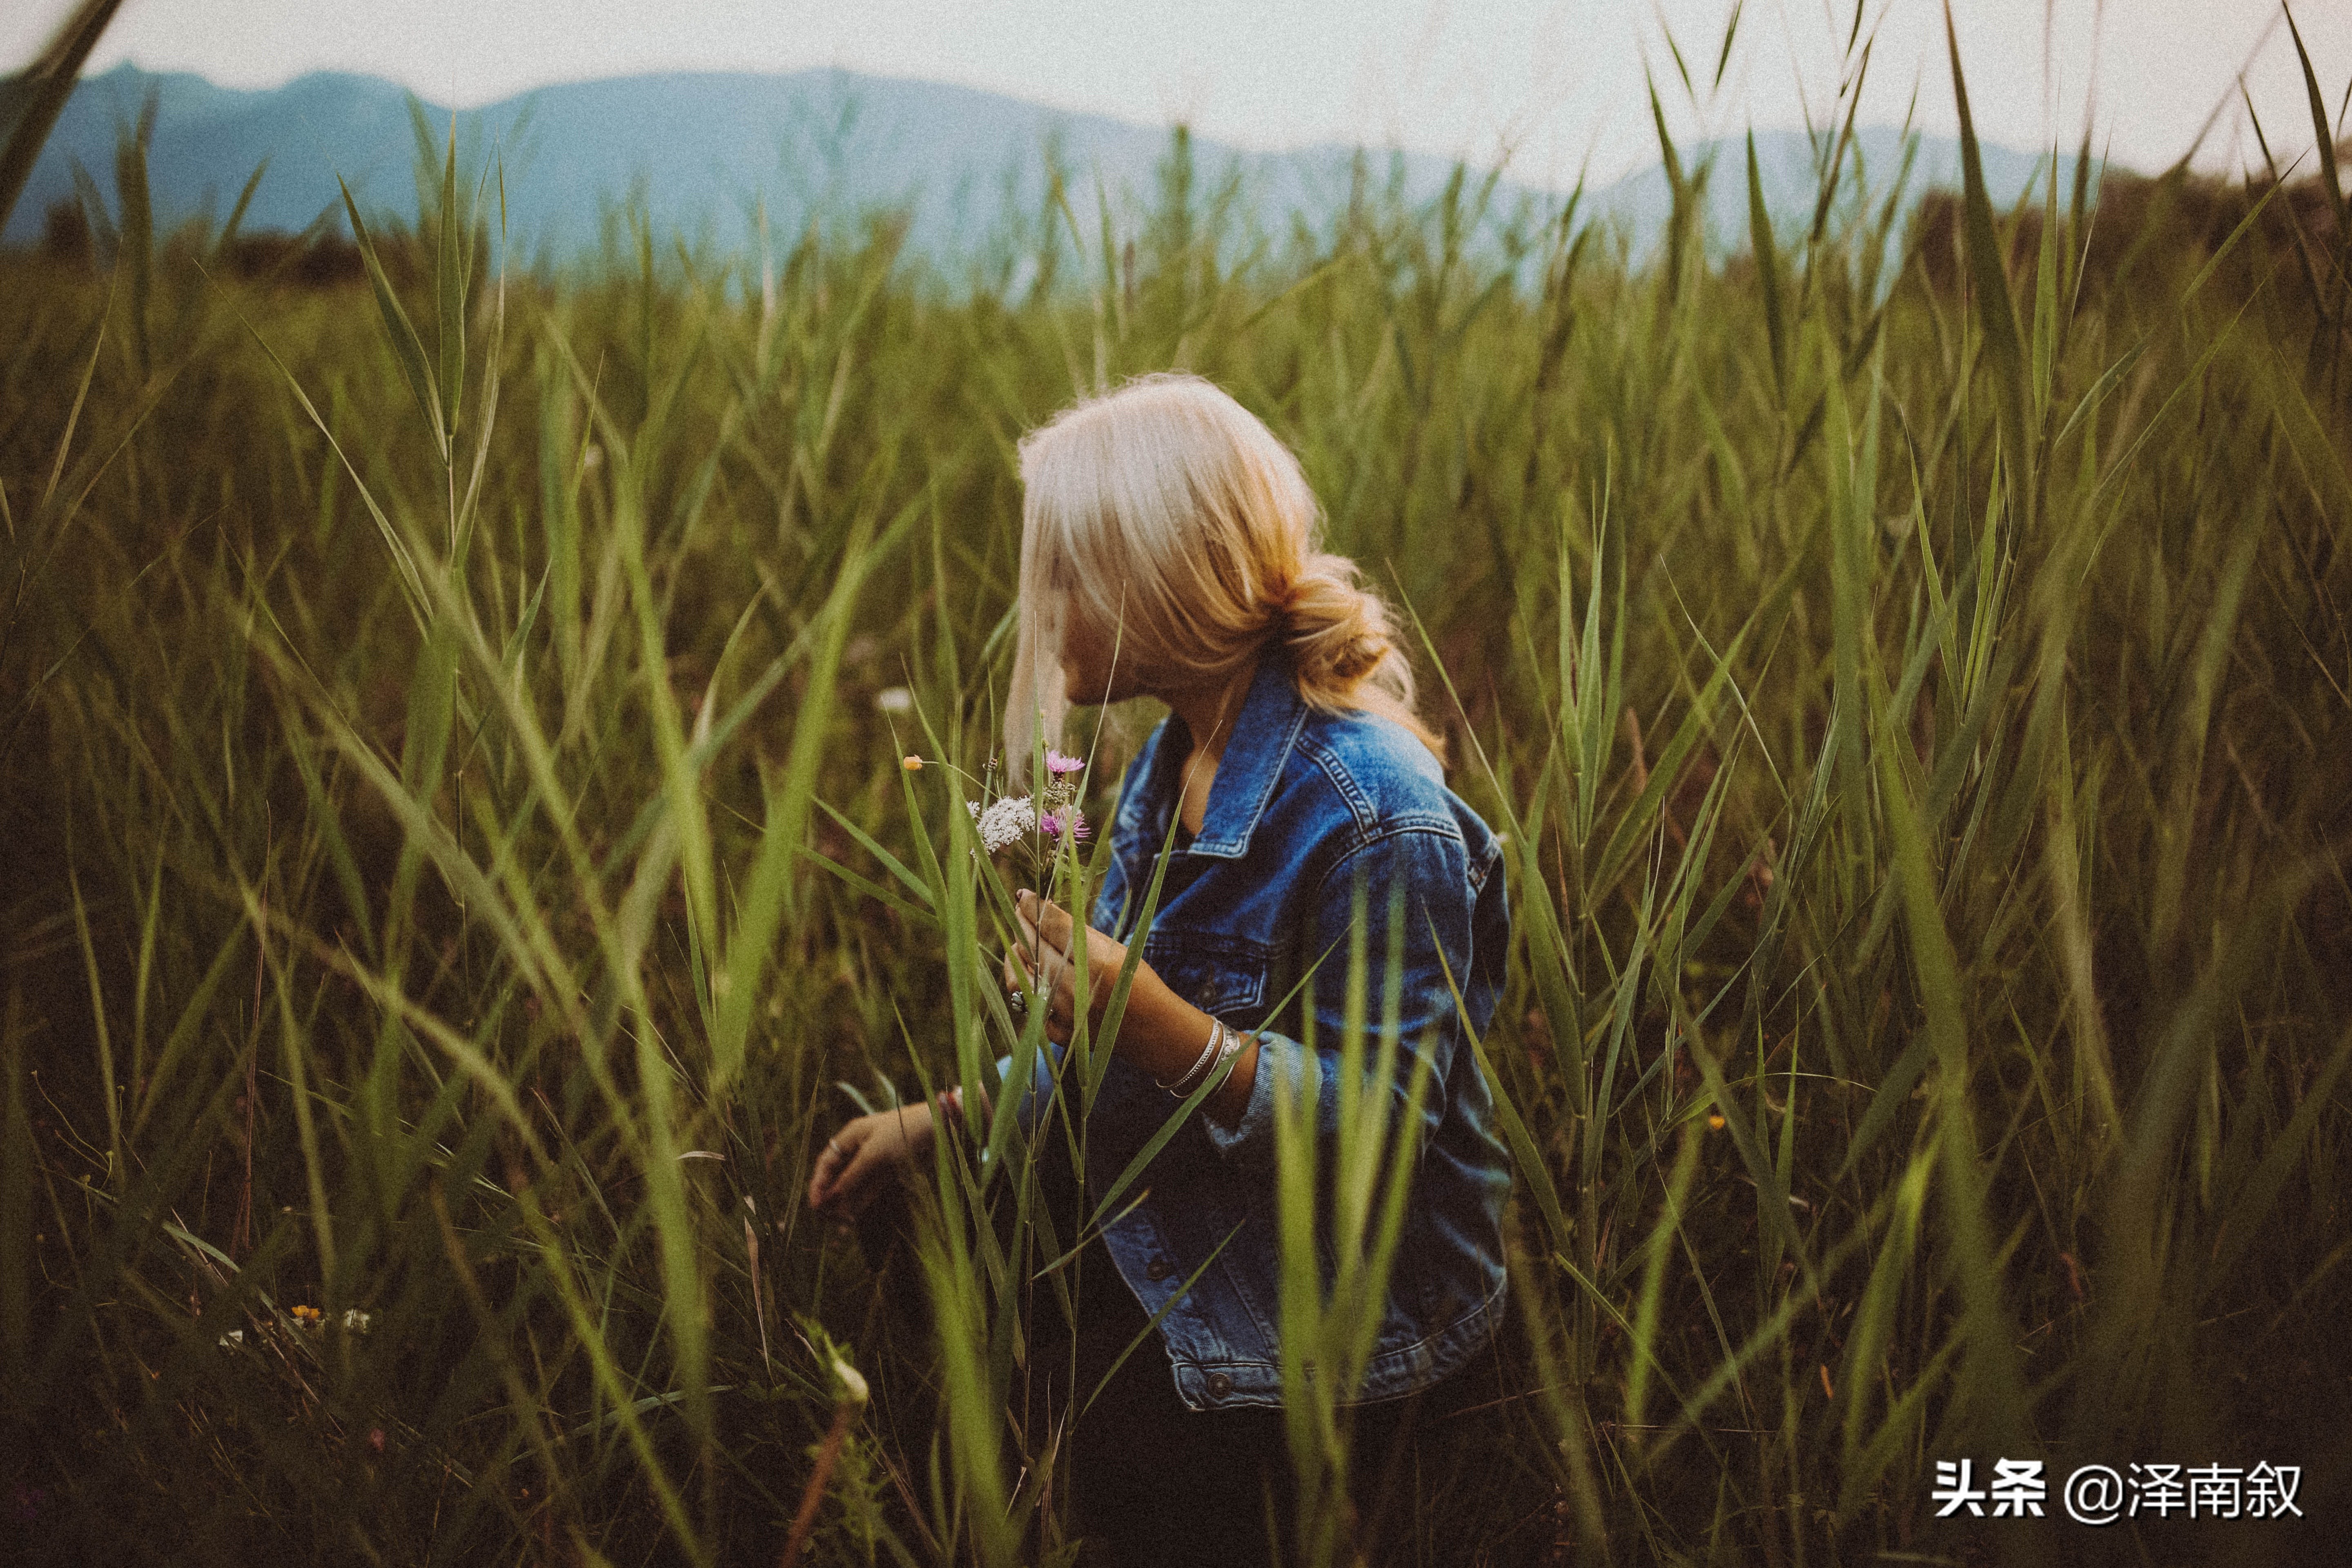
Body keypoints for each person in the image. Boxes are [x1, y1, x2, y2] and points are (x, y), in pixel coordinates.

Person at [806, 372, 1515, 1565]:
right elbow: (1102, 1054)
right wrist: (941, 1117)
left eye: (1068, 575)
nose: (1040, 606)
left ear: (1166, 580)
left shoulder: (1380, 819)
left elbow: (1385, 1138)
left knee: (1106, 1460)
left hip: (1364, 1309)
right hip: (1210, 1210)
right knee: (921, 1224)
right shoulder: (1171, 761)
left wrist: (1166, 1031)